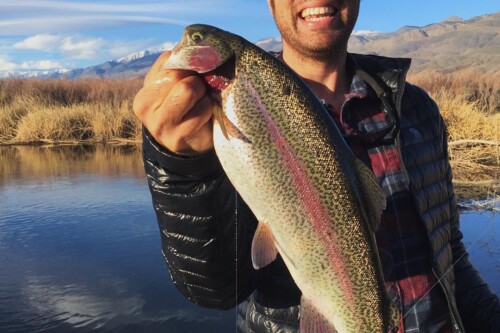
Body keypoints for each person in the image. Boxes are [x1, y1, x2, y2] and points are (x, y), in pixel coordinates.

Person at [133, 0, 500, 332]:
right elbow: (216, 289)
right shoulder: (210, 127)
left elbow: (451, 254)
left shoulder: (417, 108)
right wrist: (182, 169)